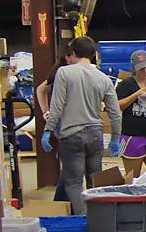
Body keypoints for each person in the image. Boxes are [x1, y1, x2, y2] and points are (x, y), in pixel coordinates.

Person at [41, 36, 121, 216]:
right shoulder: (103, 78)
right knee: (94, 181)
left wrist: (48, 129)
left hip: (72, 135)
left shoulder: (64, 73)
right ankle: (98, 221)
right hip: (95, 135)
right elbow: (115, 112)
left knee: (74, 183)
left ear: (74, 53)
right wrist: (115, 137)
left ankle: (83, 221)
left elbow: (57, 106)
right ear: (93, 55)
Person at [35, 43, 76, 203]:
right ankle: (60, 203)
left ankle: (64, 203)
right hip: (63, 122)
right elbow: (41, 89)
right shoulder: (61, 73)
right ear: (68, 57)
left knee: (71, 166)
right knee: (70, 166)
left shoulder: (68, 71)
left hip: (68, 121)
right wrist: (46, 112)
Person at [116, 50, 146, 178]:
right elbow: (117, 106)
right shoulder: (125, 85)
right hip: (132, 136)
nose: (145, 72)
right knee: (132, 177)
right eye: (142, 69)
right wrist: (137, 94)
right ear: (135, 69)